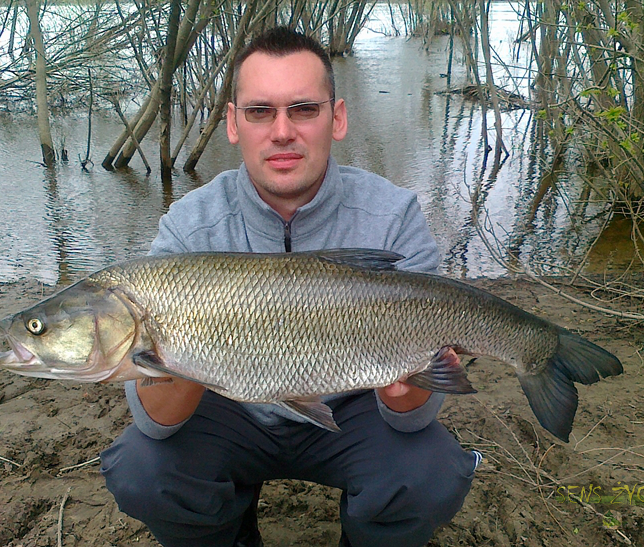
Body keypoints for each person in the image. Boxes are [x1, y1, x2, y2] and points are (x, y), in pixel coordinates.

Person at [100, 26, 479, 547]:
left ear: (337, 117)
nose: (282, 132)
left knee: (428, 471)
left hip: (351, 405)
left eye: (303, 109)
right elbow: (158, 424)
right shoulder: (189, 227)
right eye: (260, 112)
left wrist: (407, 385)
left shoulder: (393, 217)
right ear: (233, 123)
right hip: (229, 407)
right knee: (143, 468)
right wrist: (172, 355)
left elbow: (411, 419)